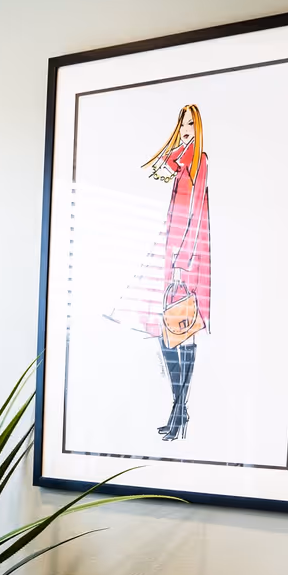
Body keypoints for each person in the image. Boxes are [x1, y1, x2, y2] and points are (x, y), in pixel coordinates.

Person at [111, 104, 212, 442]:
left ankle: (179, 410)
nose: (185, 130)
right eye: (182, 124)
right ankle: (179, 410)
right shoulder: (182, 162)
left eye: (190, 124)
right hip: (173, 254)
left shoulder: (199, 162)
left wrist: (182, 262)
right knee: (167, 330)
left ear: (198, 127)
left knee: (181, 329)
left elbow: (194, 213)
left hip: (187, 258)